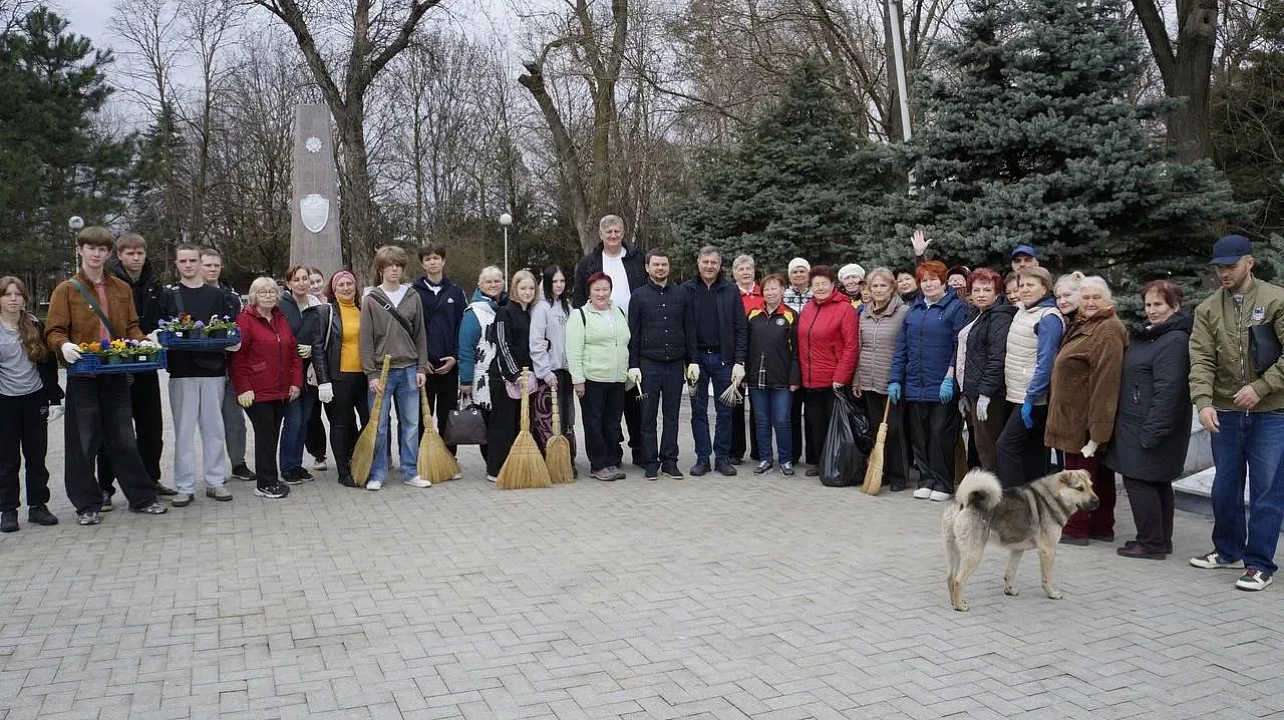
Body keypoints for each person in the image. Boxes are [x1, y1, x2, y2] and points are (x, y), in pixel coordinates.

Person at [44, 226, 168, 524]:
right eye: (91, 248)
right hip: (84, 374)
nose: (97, 254)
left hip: (116, 372)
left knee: (124, 438)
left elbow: (131, 328)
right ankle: (87, 504)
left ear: (109, 253)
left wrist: (144, 338)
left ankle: (141, 497)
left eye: (102, 249)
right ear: (80, 250)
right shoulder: (67, 289)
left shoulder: (120, 289)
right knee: (84, 442)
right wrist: (64, 345)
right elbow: (54, 331)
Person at [1188, 235, 1284, 591]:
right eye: (1219, 267)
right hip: (1225, 413)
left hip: (1271, 413)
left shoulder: (1277, 299)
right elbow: (1200, 358)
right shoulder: (1208, 308)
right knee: (1225, 487)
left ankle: (1259, 564)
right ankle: (1227, 549)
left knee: (1266, 491)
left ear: (1249, 263)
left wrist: (1261, 387)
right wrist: (1203, 401)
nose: (1224, 273)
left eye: (1231, 266)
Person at [1105, 280, 1191, 559]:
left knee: (1139, 480)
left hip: (1148, 423)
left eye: (1159, 305)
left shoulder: (1174, 340)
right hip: (1138, 420)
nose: (1152, 310)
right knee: (1156, 481)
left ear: (1175, 306)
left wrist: (1153, 431)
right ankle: (1158, 540)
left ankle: (1151, 543)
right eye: (1148, 305)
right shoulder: (1156, 335)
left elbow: (1170, 390)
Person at [156, 244, 242, 507]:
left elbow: (229, 328)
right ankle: (185, 485)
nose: (189, 265)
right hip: (181, 371)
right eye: (183, 261)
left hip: (213, 370)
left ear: (199, 261)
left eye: (193, 260)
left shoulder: (217, 296)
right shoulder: (169, 296)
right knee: (183, 430)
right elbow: (157, 330)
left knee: (214, 427)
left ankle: (215, 481)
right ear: (176, 263)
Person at [1045, 276, 1127, 545]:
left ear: (1108, 300)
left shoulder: (1108, 329)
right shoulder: (1086, 324)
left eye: (1096, 298)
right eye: (1086, 298)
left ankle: (1077, 528)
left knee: (1081, 476)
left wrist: (1097, 432)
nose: (1090, 302)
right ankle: (1101, 527)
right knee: (1096, 475)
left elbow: (1107, 381)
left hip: (1085, 422)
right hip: (1074, 417)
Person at [98, 232, 173, 508]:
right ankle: (104, 487)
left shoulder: (154, 282)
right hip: (117, 364)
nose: (136, 258)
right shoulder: (110, 283)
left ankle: (150, 480)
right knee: (114, 432)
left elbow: (163, 315)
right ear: (119, 255)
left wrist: (159, 333)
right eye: (130, 253)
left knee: (151, 429)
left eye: (139, 253)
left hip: (146, 363)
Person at [888, 260, 969, 500]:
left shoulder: (956, 308)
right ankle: (926, 479)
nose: (929, 284)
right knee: (920, 435)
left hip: (942, 384)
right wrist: (896, 379)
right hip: (915, 384)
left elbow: (959, 345)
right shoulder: (914, 311)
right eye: (924, 280)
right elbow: (901, 348)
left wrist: (950, 378)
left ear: (943, 282)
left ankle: (943, 483)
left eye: (934, 279)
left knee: (940, 434)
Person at [571, 215, 647, 466]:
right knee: (604, 411)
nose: (613, 236)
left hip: (630, 334)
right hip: (599, 337)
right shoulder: (589, 263)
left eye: (617, 231)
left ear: (623, 232)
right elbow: (580, 299)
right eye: (608, 232)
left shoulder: (637, 259)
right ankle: (608, 455)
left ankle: (639, 448)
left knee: (634, 400)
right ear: (601, 235)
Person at [359, 246, 430, 491]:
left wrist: (422, 367)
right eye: (389, 265)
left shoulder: (413, 297)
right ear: (380, 270)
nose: (394, 270)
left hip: (409, 369)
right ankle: (378, 473)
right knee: (379, 425)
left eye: (398, 265)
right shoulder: (371, 299)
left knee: (410, 424)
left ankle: (410, 470)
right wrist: (371, 374)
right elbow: (365, 341)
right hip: (382, 372)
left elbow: (420, 335)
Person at [0, 277, 63, 532]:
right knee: (7, 459)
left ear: (25, 298)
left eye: (18, 294)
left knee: (37, 456)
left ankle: (38, 506)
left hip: (34, 398)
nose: (13, 299)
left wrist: (55, 398)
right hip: (5, 401)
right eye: (7, 294)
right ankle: (8, 509)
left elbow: (48, 367)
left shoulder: (36, 325)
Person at [228, 277, 300, 500]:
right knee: (266, 434)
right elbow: (236, 359)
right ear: (253, 296)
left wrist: (295, 382)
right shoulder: (245, 320)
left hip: (280, 390)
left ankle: (271, 477)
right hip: (256, 391)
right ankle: (265, 483)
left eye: (271, 292)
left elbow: (293, 352)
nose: (268, 295)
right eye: (262, 292)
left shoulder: (281, 318)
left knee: (271, 434)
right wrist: (243, 388)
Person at [628, 249, 696, 481]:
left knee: (671, 416)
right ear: (647, 267)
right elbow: (634, 334)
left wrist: (692, 361)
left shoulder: (682, 294)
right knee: (647, 416)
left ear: (669, 267)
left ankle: (670, 461)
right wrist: (633, 364)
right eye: (655, 265)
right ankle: (650, 462)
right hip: (648, 366)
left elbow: (690, 330)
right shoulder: (638, 296)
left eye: (664, 265)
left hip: (675, 366)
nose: (660, 268)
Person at [996, 266, 1064, 488]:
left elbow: (1046, 363)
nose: (1024, 290)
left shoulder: (1048, 317)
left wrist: (1032, 396)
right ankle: (1033, 502)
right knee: (1033, 451)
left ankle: (1013, 503)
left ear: (1045, 288)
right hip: (1017, 392)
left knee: (1006, 446)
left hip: (1033, 397)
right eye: (1021, 285)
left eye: (1030, 285)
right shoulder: (1024, 310)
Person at [685, 246, 748, 477]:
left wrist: (739, 361)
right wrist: (689, 359)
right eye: (705, 262)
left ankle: (722, 458)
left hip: (724, 361)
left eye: (713, 262)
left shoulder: (730, 290)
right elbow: (684, 327)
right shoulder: (687, 290)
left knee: (725, 412)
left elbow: (741, 327)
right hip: (696, 361)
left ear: (720, 265)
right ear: (698, 263)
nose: (709, 266)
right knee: (698, 410)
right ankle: (703, 458)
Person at [567, 272, 630, 480]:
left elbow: (624, 342)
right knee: (594, 422)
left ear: (610, 291)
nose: (601, 294)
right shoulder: (580, 315)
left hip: (617, 378)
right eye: (597, 290)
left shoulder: (619, 312)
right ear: (590, 292)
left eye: (605, 289)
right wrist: (578, 380)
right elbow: (573, 350)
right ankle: (598, 465)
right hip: (593, 379)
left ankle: (611, 461)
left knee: (613, 423)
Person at [799, 265, 859, 477]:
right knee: (816, 423)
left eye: (824, 283)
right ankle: (820, 462)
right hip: (810, 379)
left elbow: (852, 346)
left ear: (833, 285)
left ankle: (835, 462)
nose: (820, 287)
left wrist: (841, 377)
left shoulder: (845, 309)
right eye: (816, 284)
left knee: (835, 425)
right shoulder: (808, 308)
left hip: (833, 380)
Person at [201, 248, 254, 483]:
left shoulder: (231, 297)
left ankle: (238, 462)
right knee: (210, 422)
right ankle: (213, 469)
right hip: (203, 367)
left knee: (235, 419)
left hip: (230, 366)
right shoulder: (192, 295)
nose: (212, 269)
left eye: (216, 265)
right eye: (208, 265)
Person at [412, 242, 467, 460]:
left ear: (443, 261)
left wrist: (455, 357)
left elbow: (461, 328)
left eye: (436, 258)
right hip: (423, 367)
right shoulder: (414, 292)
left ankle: (448, 458)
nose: (433, 262)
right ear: (422, 263)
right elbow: (411, 328)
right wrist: (420, 359)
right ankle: (420, 458)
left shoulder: (456, 292)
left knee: (447, 416)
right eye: (428, 259)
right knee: (421, 415)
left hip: (448, 367)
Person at [958, 268, 1016, 472]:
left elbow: (996, 358)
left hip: (989, 394)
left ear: (997, 293)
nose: (981, 294)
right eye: (976, 290)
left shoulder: (999, 317)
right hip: (973, 390)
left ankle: (996, 494)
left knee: (989, 445)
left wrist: (985, 394)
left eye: (987, 290)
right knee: (981, 444)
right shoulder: (975, 313)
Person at [856, 268, 909, 490]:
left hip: (892, 380)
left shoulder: (903, 311)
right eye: (874, 286)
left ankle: (899, 476)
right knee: (877, 428)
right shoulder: (864, 312)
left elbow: (905, 347)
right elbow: (861, 346)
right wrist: (857, 378)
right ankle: (882, 472)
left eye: (883, 286)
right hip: (868, 379)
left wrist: (898, 377)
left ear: (892, 288)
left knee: (894, 430)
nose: (878, 290)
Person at [315, 270, 369, 488]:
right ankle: (343, 470)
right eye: (341, 285)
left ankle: (359, 461)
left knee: (368, 421)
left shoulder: (363, 310)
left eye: (350, 284)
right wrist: (323, 380)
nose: (346, 288)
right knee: (341, 424)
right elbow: (318, 347)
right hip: (340, 377)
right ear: (333, 289)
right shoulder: (325, 312)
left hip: (364, 377)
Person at [486, 270, 539, 481]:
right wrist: (514, 374)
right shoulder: (505, 312)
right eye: (523, 288)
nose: (527, 292)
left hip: (526, 377)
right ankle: (496, 469)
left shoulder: (530, 313)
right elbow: (503, 345)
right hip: (504, 378)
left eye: (531, 288)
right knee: (502, 426)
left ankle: (517, 466)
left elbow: (532, 343)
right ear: (515, 289)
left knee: (521, 424)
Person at [746, 274, 799, 476]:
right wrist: (743, 376)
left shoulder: (790, 316)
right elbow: (746, 347)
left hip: (782, 380)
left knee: (782, 420)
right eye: (766, 289)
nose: (769, 292)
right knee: (761, 420)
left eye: (774, 288)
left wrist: (794, 378)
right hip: (756, 379)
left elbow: (797, 352)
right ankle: (765, 458)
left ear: (782, 290)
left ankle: (785, 460)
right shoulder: (753, 315)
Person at [277, 265, 327, 484]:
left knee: (305, 421)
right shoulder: (281, 306)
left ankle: (297, 464)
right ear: (288, 283)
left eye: (305, 279)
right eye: (296, 279)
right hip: (289, 372)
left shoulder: (316, 306)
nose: (302, 283)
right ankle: (287, 466)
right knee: (293, 420)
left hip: (310, 371)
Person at [458, 266, 507, 468]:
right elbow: (466, 347)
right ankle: (492, 463)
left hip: (505, 376)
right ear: (480, 285)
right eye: (489, 281)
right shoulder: (474, 312)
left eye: (497, 280)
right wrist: (466, 380)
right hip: (482, 378)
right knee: (488, 423)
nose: (493, 285)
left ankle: (502, 460)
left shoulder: (507, 306)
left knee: (502, 423)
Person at [530, 265, 574, 457]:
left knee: (566, 419)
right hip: (550, 374)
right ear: (547, 283)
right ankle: (549, 459)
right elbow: (536, 343)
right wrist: (546, 372)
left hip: (566, 371)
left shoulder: (567, 307)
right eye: (554, 281)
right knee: (549, 420)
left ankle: (565, 459)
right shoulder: (541, 308)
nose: (559, 285)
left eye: (562, 281)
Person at [730, 254, 763, 465]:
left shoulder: (764, 294)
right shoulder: (730, 294)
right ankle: (735, 450)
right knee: (736, 404)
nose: (745, 272)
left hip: (760, 357)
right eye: (741, 269)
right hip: (737, 357)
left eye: (748, 268)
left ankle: (760, 449)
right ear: (734, 274)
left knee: (759, 406)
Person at [782, 257, 813, 465]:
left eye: (802, 271)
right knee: (791, 411)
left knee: (811, 414)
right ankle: (791, 455)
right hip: (789, 361)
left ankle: (813, 456)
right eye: (795, 271)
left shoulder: (816, 295)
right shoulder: (783, 296)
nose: (799, 275)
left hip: (812, 361)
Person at [305, 267, 329, 471]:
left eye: (317, 281)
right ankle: (318, 454)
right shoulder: (304, 307)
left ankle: (347, 451)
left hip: (332, 367)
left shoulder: (332, 303)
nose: (314, 286)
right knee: (313, 415)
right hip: (310, 369)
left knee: (337, 412)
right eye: (310, 282)